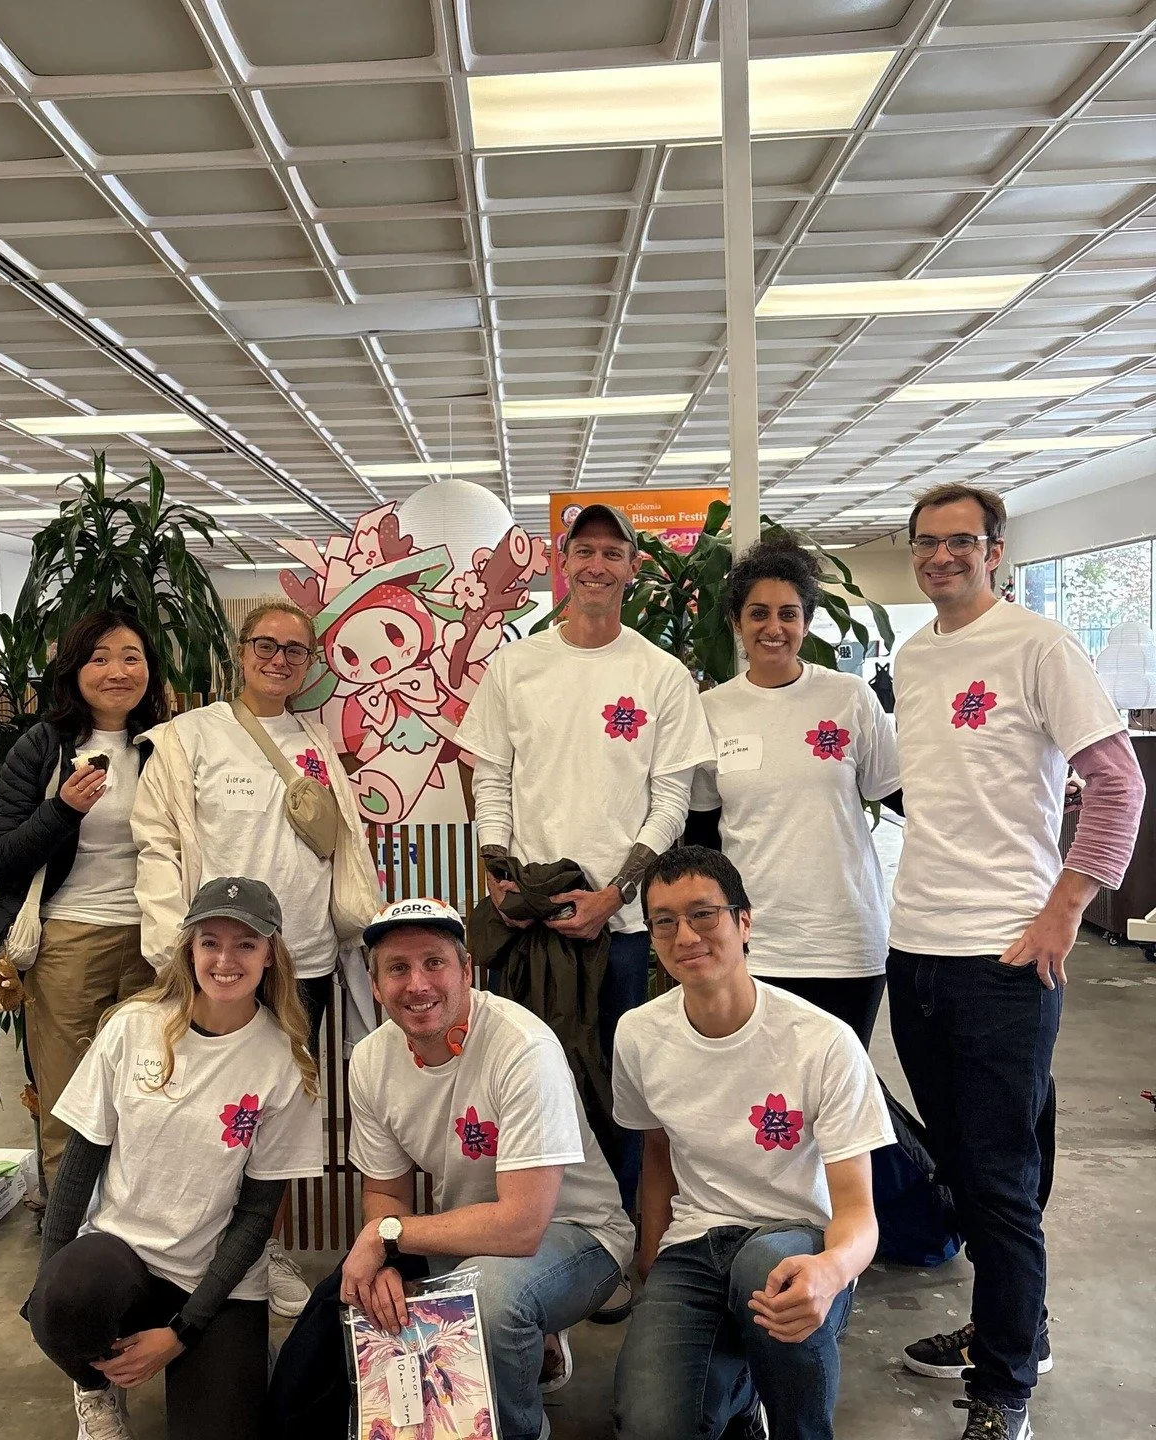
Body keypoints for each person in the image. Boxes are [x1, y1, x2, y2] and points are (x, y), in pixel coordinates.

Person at [888, 483, 1144, 1440]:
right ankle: (1012, 1322)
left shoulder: (1039, 645)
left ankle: (1004, 1392)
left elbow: (1117, 782)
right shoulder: (916, 659)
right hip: (915, 947)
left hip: (1003, 959)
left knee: (998, 1177)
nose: (941, 556)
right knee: (968, 1166)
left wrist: (1064, 913)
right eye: (927, 542)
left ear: (995, 549)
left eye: (961, 541)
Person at [272, 896, 635, 1440]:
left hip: (578, 1236)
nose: (417, 984)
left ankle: (518, 1424)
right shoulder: (371, 1060)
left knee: (487, 1297)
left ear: (467, 970)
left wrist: (388, 1236)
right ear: (374, 985)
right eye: (397, 968)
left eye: (434, 962)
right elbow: (384, 1191)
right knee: (356, 1301)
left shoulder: (523, 1048)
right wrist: (387, 1258)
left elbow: (521, 1224)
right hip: (465, 1240)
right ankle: (530, 1345)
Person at [458, 502, 715, 1239]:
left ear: (634, 568)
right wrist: (498, 878)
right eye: (585, 551)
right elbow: (494, 781)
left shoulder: (660, 674)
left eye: (613, 552)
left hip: (622, 929)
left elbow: (670, 802)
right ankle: (526, 1230)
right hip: (526, 922)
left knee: (616, 1089)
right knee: (523, 1082)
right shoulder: (517, 666)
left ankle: (612, 1237)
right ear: (561, 564)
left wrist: (614, 894)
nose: (597, 565)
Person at [131, 598, 381, 1319]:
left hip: (302, 961)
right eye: (265, 646)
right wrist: (167, 949)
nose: (278, 660)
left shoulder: (314, 742)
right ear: (239, 652)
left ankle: (259, 1247)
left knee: (276, 1113)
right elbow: (157, 846)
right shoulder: (187, 740)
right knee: (206, 1108)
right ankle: (194, 1248)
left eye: (295, 651)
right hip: (217, 968)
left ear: (310, 664)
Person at [26, 876, 323, 1440]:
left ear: (270, 955)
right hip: (121, 1257)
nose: (226, 959)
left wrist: (184, 1330)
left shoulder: (286, 1060)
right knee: (66, 1299)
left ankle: (231, 1349)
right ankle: (96, 1386)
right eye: (210, 941)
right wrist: (50, 1288)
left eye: (246, 945)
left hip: (216, 1278)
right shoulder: (132, 1028)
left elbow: (258, 1216)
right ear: (189, 948)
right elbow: (79, 1163)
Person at [612, 846, 894, 1440]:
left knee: (770, 1272)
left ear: (744, 922)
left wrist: (830, 1271)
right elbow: (658, 1150)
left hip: (793, 1240)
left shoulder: (822, 1042)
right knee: (648, 1425)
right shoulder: (638, 1034)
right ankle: (740, 1398)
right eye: (664, 920)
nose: (685, 934)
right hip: (693, 1245)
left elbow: (859, 1214)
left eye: (703, 914)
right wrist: (650, 1253)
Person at [0, 610, 168, 1191]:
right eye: (99, 658)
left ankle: (139, 1234)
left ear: (149, 671)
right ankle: (67, 1244)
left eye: (131, 657)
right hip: (68, 940)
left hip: (156, 939)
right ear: (73, 670)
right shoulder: (42, 746)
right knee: (67, 1098)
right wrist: (63, 810)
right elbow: (2, 854)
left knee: (151, 1089)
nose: (117, 671)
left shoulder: (165, 745)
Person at [688, 537, 900, 1047]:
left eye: (789, 613)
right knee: (762, 1100)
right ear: (736, 623)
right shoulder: (712, 711)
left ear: (806, 621)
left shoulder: (848, 697)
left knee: (840, 1097)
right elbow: (701, 837)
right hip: (753, 942)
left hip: (845, 938)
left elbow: (897, 793)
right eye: (758, 613)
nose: (773, 628)